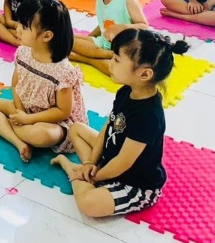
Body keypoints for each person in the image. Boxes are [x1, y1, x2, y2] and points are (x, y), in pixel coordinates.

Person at [52, 29, 190, 217]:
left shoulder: (148, 116)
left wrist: (93, 176)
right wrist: (91, 161)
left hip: (134, 184)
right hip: (111, 158)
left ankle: (73, 170)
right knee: (76, 129)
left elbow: (123, 163)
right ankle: (87, 171)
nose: (110, 63)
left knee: (88, 204)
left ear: (144, 74)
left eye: (117, 60)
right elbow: (108, 126)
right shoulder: (126, 91)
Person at [0, 0, 87, 163]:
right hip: (26, 109)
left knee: (42, 135)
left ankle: (8, 126)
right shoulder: (23, 52)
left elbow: (62, 111)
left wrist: (28, 119)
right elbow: (16, 85)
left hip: (54, 123)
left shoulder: (64, 72)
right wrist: (20, 111)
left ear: (46, 36)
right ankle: (19, 142)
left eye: (24, 26)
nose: (17, 29)